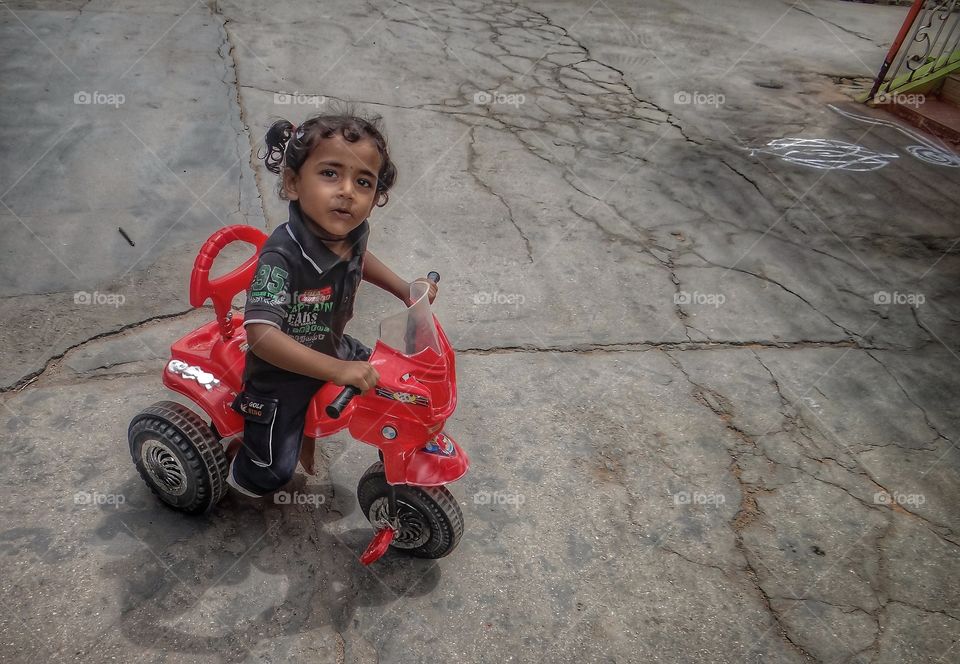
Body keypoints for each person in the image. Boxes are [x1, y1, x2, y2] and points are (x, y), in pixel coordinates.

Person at [227, 111, 438, 498]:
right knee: (272, 472)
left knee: (394, 383)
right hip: (280, 374)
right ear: (293, 182)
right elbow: (260, 336)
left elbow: (360, 257)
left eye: (363, 182)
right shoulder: (281, 256)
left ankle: (395, 448)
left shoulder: (351, 231)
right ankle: (237, 476)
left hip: (330, 343)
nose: (347, 191)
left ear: (376, 197)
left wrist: (404, 288)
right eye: (330, 174)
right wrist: (337, 369)